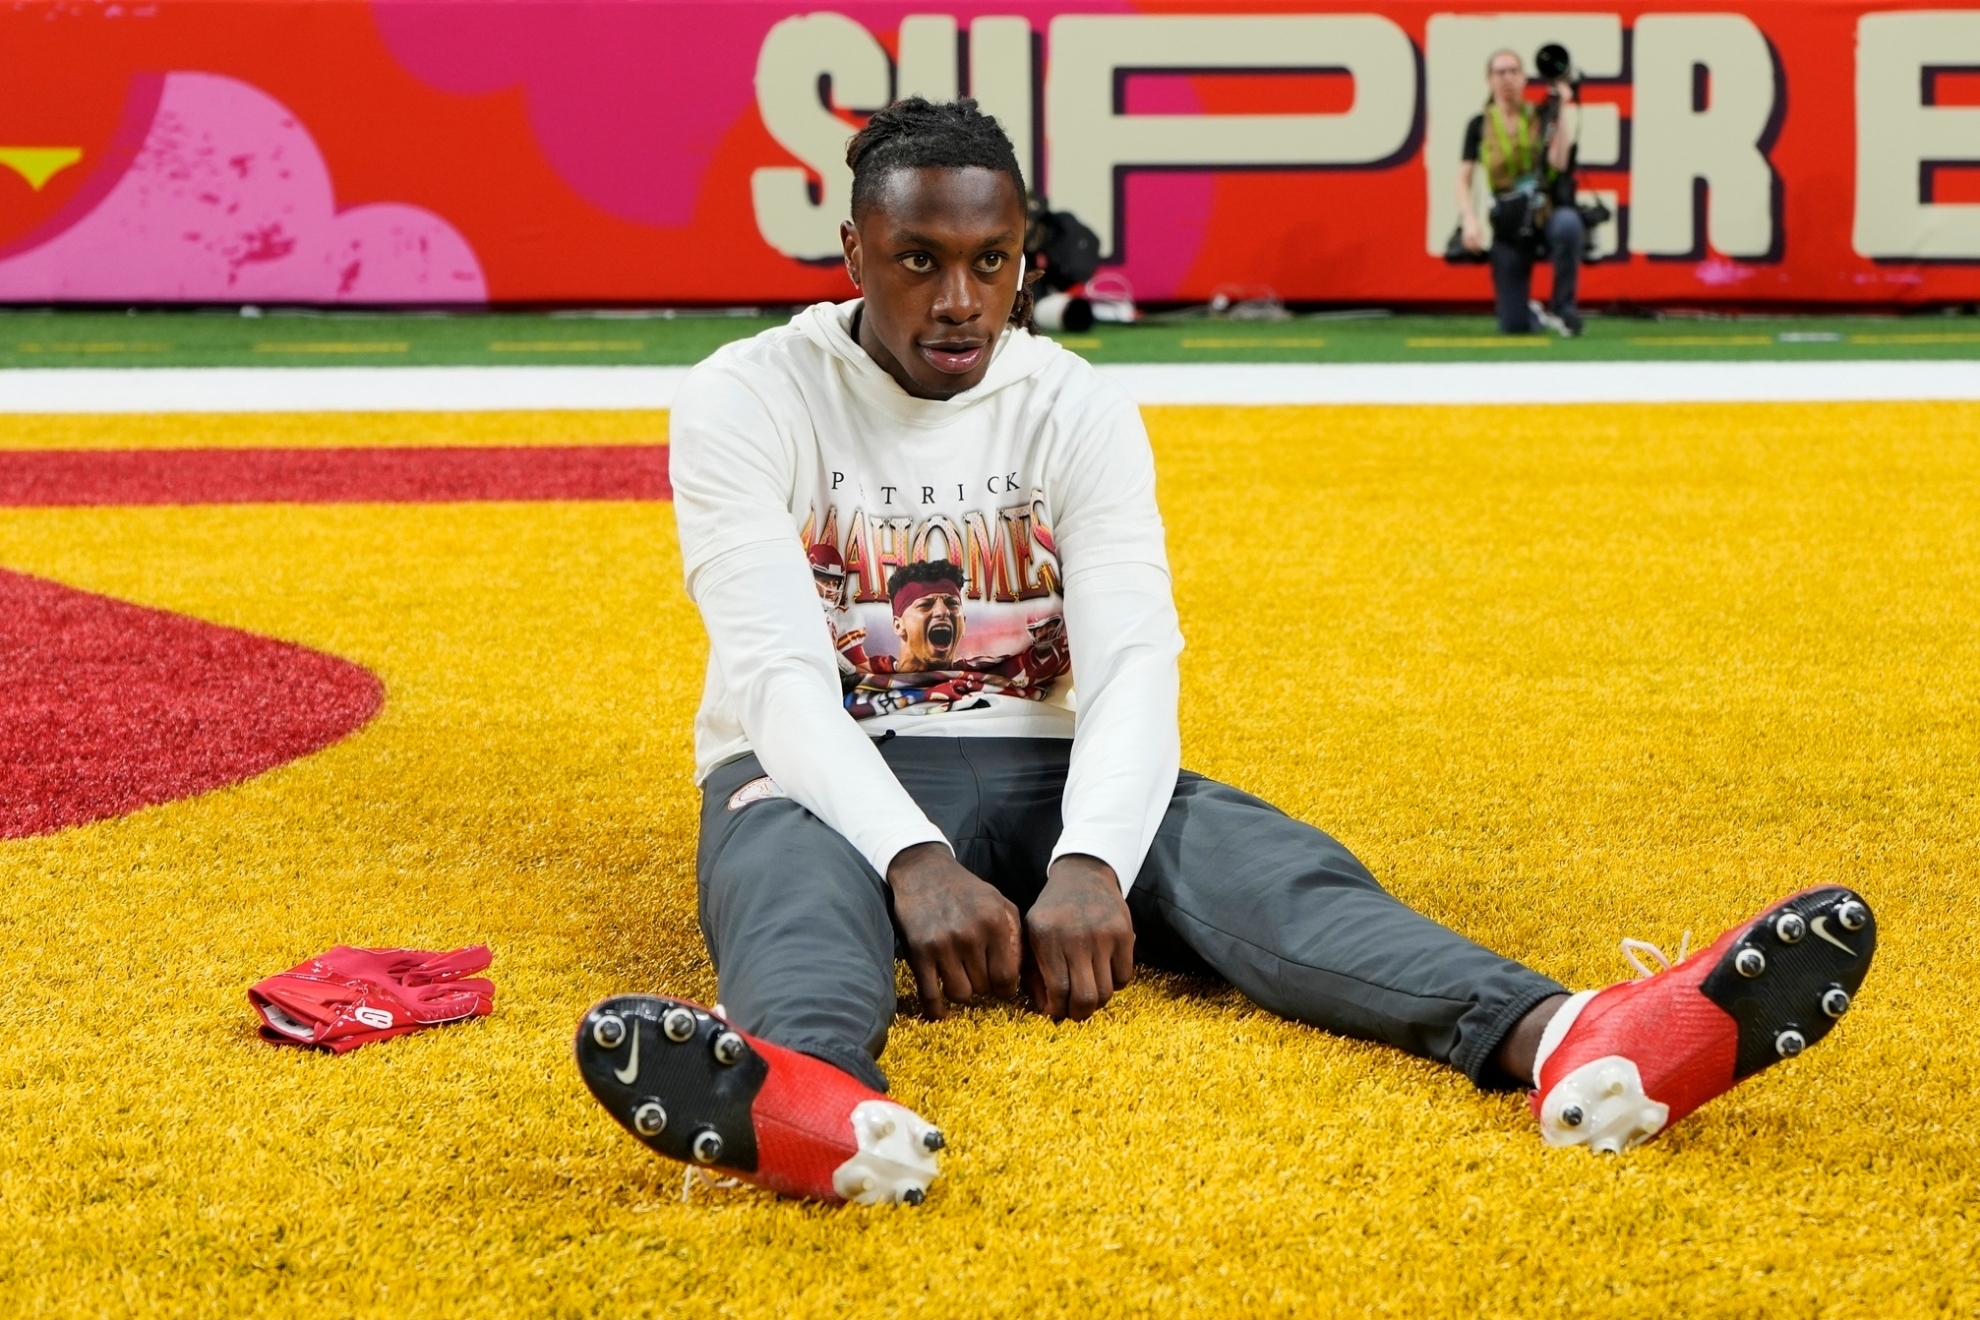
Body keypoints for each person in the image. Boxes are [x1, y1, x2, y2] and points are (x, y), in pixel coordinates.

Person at [571, 97, 1876, 1205]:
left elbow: (1137, 661)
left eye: (992, 261)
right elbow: (779, 682)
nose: (958, 300)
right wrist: (910, 858)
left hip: (1043, 763)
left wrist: (1091, 862)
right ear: (851, 250)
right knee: (795, 880)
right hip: (825, 765)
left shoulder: (1075, 404)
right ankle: (809, 1101)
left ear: (1029, 260)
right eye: (917, 260)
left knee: (1261, 869)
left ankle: (1580, 1040)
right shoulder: (747, 394)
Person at [1458, 49, 1585, 336]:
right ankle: (1530, 312)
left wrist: (1560, 110)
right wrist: (1469, 219)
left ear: (1524, 78)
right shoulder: (1479, 125)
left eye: (1514, 71)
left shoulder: (1539, 116)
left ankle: (1563, 308)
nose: (1508, 78)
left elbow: (1560, 162)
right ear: (1489, 79)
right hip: (1509, 223)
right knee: (1513, 326)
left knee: (1568, 224)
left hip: (1543, 214)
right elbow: (1463, 178)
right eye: (1500, 72)